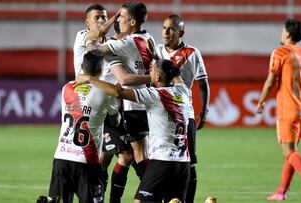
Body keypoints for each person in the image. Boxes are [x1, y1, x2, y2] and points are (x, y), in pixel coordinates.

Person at [74, 59, 191, 203]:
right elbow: (176, 77)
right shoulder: (184, 91)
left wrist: (89, 78)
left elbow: (118, 91)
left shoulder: (154, 96)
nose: (149, 72)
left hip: (163, 161)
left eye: (152, 70)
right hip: (183, 163)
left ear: (158, 77)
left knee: (139, 201)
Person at [80, 2, 155, 181]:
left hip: (130, 103)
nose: (117, 20)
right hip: (137, 102)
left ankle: (151, 192)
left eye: (120, 17)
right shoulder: (148, 38)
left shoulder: (127, 42)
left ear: (132, 22)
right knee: (128, 155)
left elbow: (96, 53)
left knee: (136, 155)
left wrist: (90, 41)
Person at [256, 19, 301, 202]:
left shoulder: (280, 53)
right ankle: (281, 192)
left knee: (288, 152)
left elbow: (271, 80)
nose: (281, 33)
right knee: (292, 152)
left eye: (282, 30)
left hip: (288, 109)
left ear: (287, 33)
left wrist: (262, 100)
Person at [44, 50, 121, 203]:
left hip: (62, 158)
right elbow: (115, 121)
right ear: (100, 71)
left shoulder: (66, 88)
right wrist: (117, 104)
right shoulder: (105, 93)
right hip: (87, 161)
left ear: (81, 66)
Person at [156, 14, 210, 203]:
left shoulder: (192, 53)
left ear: (181, 32)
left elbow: (203, 83)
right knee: (161, 161)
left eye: (170, 28)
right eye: (164, 28)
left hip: (184, 115)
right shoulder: (156, 51)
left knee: (188, 161)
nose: (166, 32)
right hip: (159, 116)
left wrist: (204, 111)